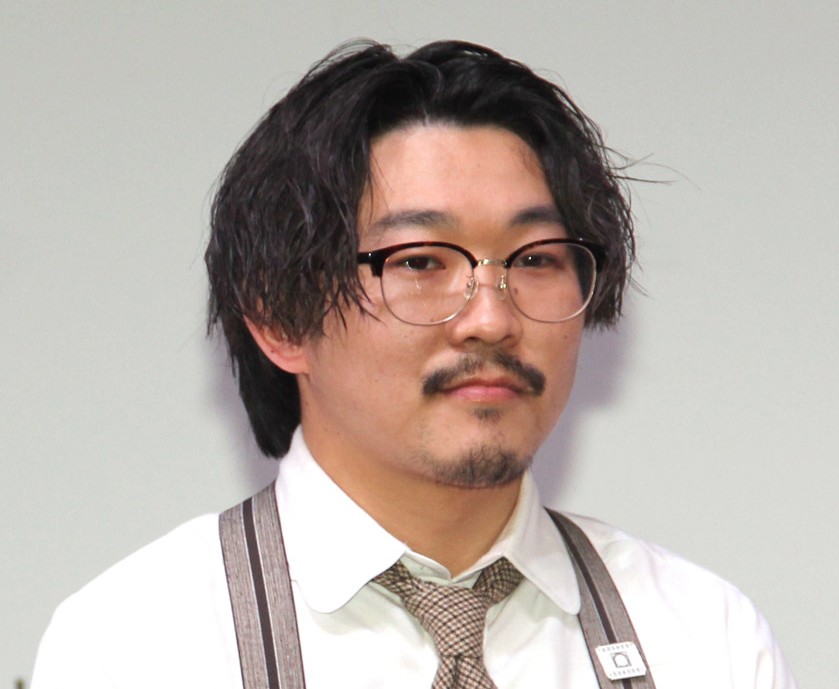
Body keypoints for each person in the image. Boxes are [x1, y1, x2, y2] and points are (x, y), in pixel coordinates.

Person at [32, 40, 797, 688]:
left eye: (535, 258)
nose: (492, 318)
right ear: (278, 316)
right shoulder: (134, 645)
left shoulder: (704, 639)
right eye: (422, 261)